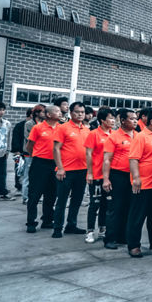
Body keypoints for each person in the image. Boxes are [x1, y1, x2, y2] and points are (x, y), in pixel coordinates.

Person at [125, 109, 152, 257]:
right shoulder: (141, 137)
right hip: (144, 183)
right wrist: (136, 178)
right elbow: (133, 159)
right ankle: (134, 245)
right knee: (137, 216)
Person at [51, 101, 90, 238]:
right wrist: (60, 168)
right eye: (77, 112)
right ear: (71, 113)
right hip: (66, 170)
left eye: (82, 112)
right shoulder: (63, 128)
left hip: (82, 170)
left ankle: (71, 225)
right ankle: (57, 228)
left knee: (77, 200)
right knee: (62, 201)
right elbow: (56, 149)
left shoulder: (87, 130)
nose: (80, 115)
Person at [102, 109, 137, 249]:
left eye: (136, 118)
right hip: (118, 175)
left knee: (129, 207)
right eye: (131, 118)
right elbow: (107, 159)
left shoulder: (138, 136)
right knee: (115, 208)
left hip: (133, 176)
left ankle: (122, 237)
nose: (135, 121)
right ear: (123, 120)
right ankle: (110, 238)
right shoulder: (114, 137)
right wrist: (106, 179)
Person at [25, 105, 61, 232]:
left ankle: (47, 220)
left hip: (55, 164)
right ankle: (31, 222)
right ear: (49, 115)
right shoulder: (38, 128)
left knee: (51, 194)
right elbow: (29, 145)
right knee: (34, 194)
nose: (60, 113)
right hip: (40, 164)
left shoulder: (61, 128)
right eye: (57, 111)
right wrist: (36, 156)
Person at [83, 108, 114, 243]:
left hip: (110, 175)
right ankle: (90, 231)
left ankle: (102, 228)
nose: (113, 121)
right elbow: (88, 154)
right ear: (102, 120)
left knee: (106, 204)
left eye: (114, 118)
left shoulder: (114, 134)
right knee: (94, 204)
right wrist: (90, 173)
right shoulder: (94, 134)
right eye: (110, 118)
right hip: (96, 174)